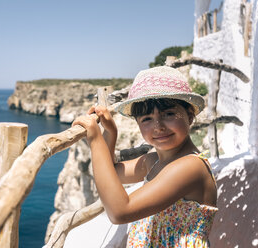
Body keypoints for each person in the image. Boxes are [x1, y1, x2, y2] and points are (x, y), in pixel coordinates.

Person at [72, 66, 218, 247]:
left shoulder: (190, 167)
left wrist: (95, 142)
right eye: (147, 119)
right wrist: (110, 133)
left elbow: (120, 212)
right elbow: (113, 173)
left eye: (169, 114)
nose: (158, 126)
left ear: (189, 116)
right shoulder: (153, 161)